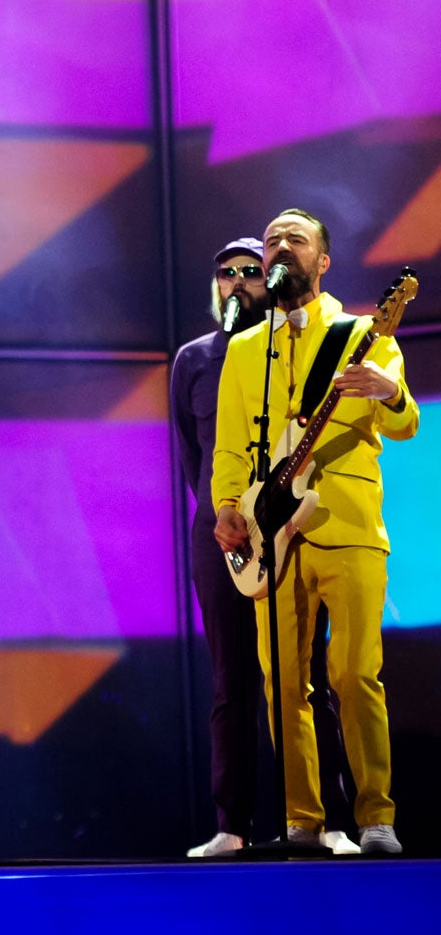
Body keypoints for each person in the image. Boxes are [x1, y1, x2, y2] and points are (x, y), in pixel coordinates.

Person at [212, 209, 419, 856]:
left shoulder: (364, 332)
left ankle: (376, 817)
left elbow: (404, 424)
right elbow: (228, 447)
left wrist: (390, 394)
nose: (279, 247)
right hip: (272, 532)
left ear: (323, 261)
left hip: (347, 522)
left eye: (294, 239)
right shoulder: (246, 349)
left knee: (355, 675)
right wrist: (226, 504)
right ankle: (303, 818)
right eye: (272, 238)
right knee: (282, 684)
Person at [173, 236, 357, 858]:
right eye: (225, 272)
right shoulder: (193, 360)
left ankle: (323, 817)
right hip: (223, 535)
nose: (237, 281)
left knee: (305, 674)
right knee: (231, 682)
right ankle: (232, 824)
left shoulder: (292, 348)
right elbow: (193, 455)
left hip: (290, 525)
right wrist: (227, 513)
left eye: (251, 270)